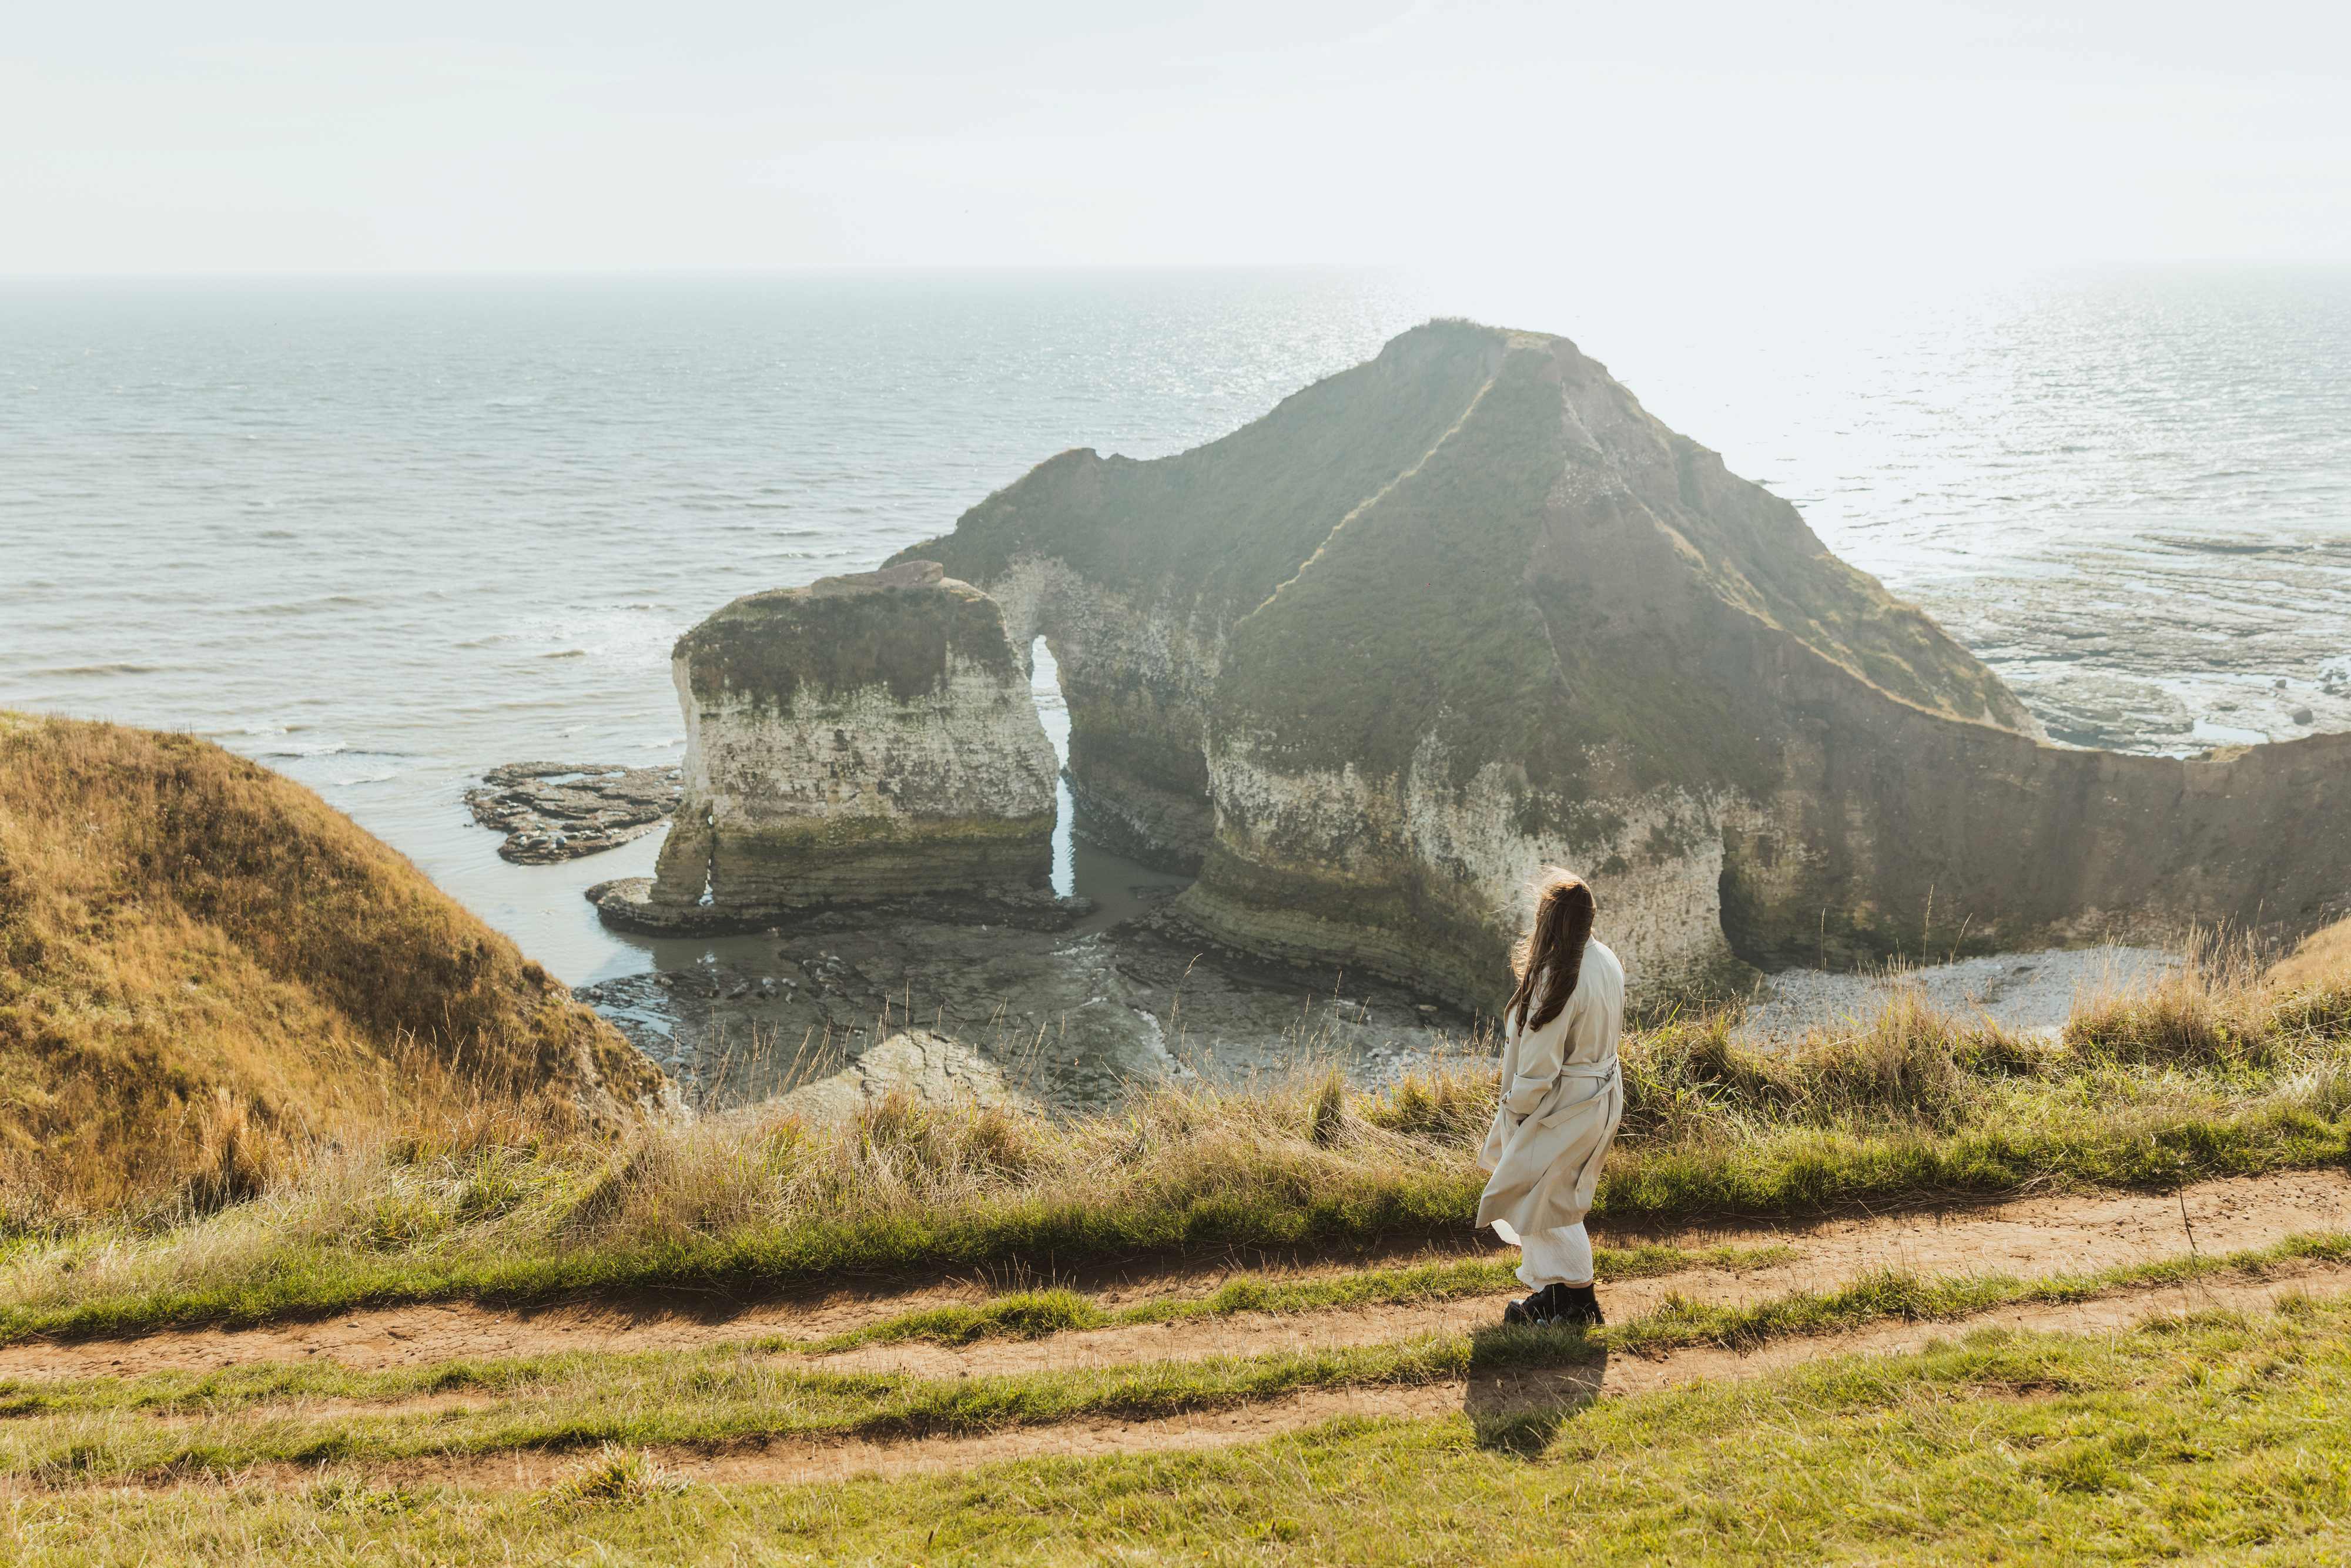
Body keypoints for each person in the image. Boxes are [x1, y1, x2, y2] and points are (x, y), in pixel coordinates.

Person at [1475, 867, 1625, 1328]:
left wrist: (1515, 1112)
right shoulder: (1605, 959)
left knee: (1548, 1202)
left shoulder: (1559, 976)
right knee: (1549, 1196)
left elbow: (1540, 1068)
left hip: (1560, 1105)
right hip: (1599, 1096)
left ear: (1549, 921)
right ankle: (1556, 1296)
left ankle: (1580, 1301)